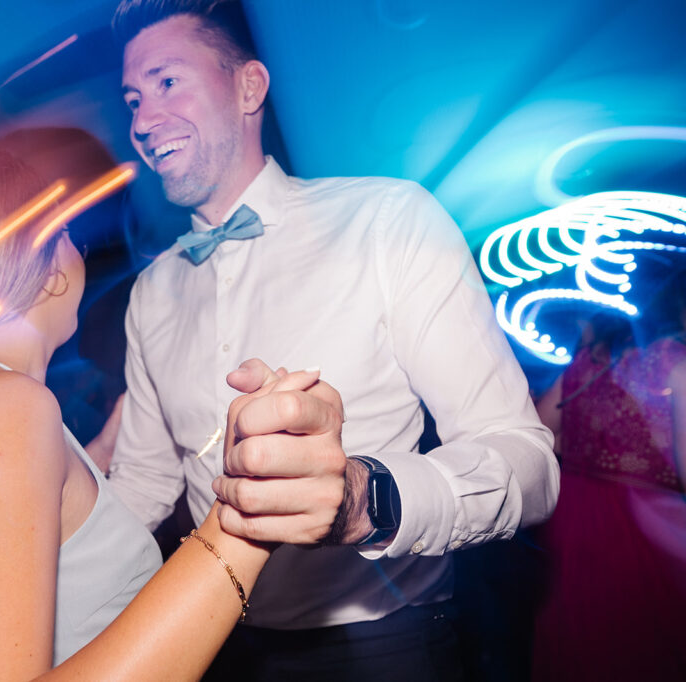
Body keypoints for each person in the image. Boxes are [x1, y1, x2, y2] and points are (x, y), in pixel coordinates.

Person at [107, 1, 561, 678]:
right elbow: (145, 482)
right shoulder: (152, 292)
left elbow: (527, 464)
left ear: (249, 87)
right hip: (218, 646)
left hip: (388, 647)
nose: (143, 121)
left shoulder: (387, 221)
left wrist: (363, 500)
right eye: (133, 100)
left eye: (167, 82)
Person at [0, 142, 336, 680]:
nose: (79, 251)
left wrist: (100, 456)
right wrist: (244, 520)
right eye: (68, 232)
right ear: (49, 267)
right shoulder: (4, 407)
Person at [532, 300, 686, 680]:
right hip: (643, 517)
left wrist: (585, 445)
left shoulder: (582, 363)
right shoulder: (673, 361)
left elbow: (541, 432)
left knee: (587, 630)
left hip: (578, 508)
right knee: (644, 637)